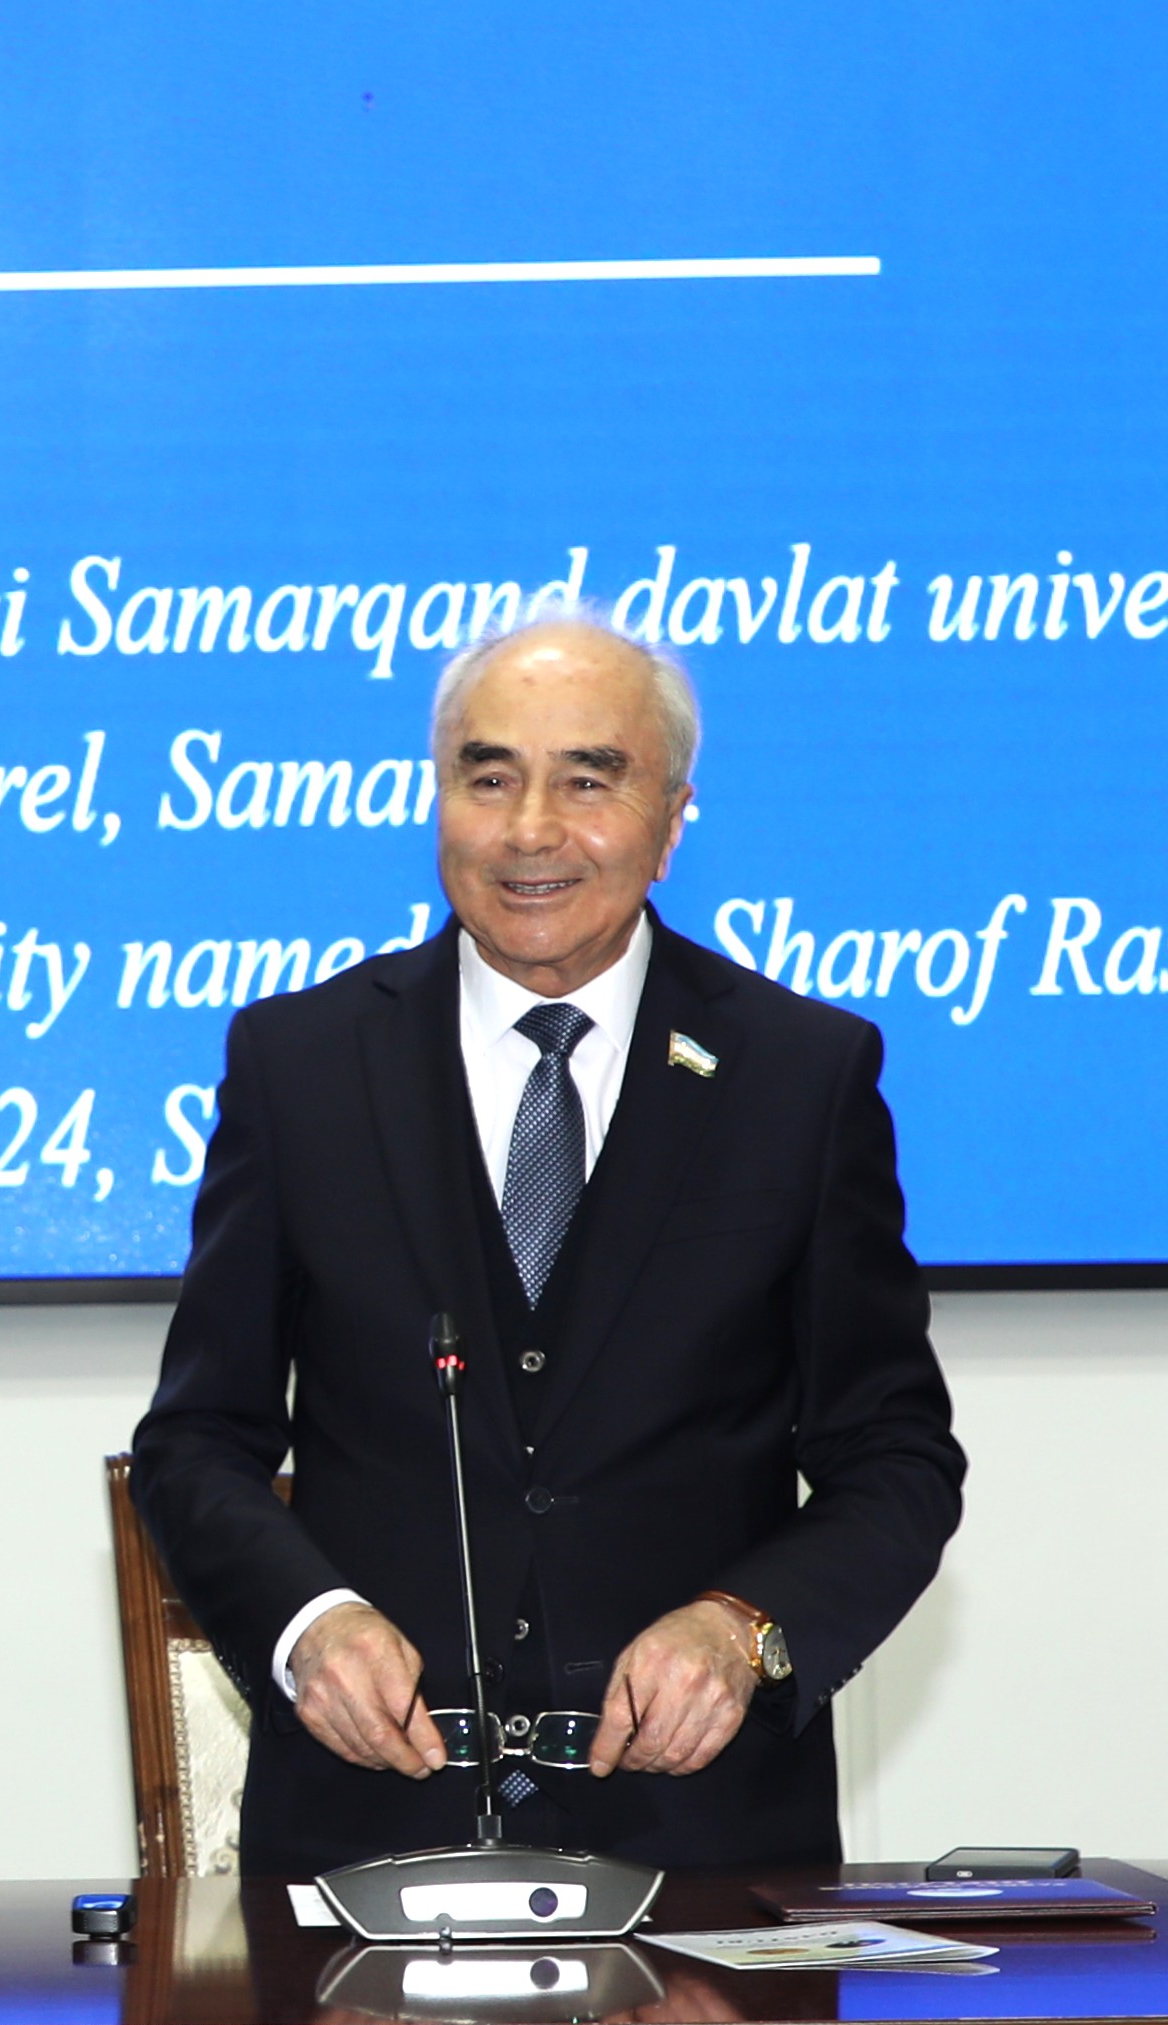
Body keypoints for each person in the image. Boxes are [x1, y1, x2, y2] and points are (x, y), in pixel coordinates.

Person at [130, 616, 969, 1872]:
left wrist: (744, 1628)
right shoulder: (301, 1064)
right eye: (489, 776)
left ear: (672, 818)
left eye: (588, 779)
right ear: (439, 801)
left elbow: (895, 1460)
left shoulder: (800, 1074)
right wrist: (311, 1624)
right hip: (373, 1835)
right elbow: (197, 1440)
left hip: (705, 1843)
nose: (531, 829)